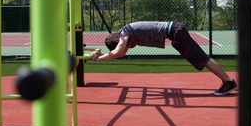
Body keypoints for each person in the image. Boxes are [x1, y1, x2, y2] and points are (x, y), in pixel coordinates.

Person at [91, 21, 237, 96]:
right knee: (199, 60)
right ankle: (228, 81)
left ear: (116, 39)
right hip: (174, 34)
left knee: (202, 58)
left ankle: (228, 82)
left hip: (175, 31)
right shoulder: (126, 34)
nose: (125, 48)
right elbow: (119, 53)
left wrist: (99, 59)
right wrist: (105, 56)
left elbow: (117, 52)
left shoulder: (124, 34)